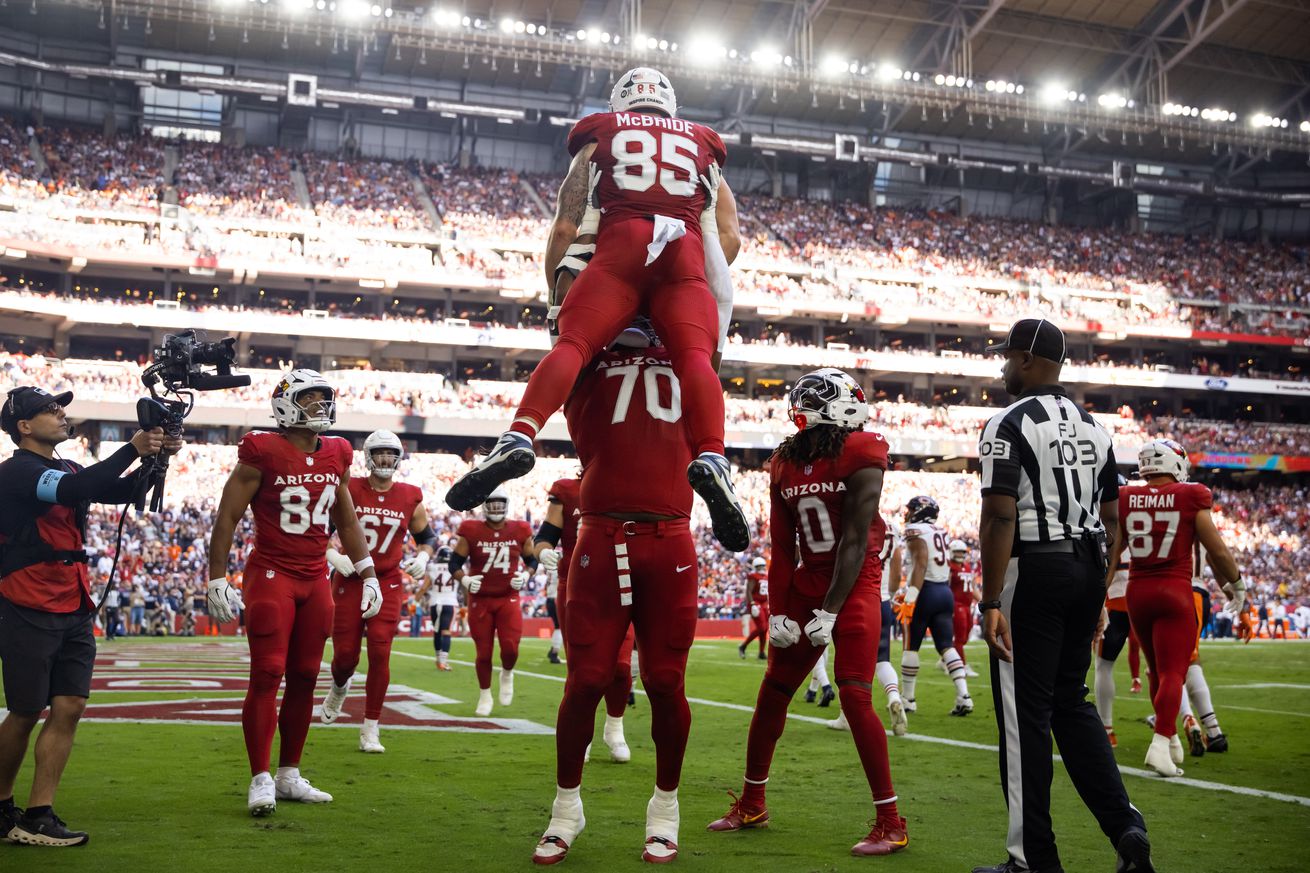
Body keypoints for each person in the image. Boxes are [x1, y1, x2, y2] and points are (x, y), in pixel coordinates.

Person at [444, 66, 752, 555]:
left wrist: (557, 297)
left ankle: (519, 436)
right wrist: (675, 284)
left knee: (575, 344)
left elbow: (567, 227)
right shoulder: (701, 142)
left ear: (620, 104)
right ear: (669, 104)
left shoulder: (601, 133)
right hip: (685, 253)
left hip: (618, 247)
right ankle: (713, 456)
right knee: (695, 356)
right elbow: (730, 238)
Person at [974, 318, 1153, 873]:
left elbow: (1001, 512)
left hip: (1034, 572)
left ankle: (1033, 859)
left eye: (1008, 356)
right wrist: (1098, 587)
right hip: (1085, 567)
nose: (1003, 365)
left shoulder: (1007, 421)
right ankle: (1125, 826)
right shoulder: (1095, 427)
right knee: (1071, 704)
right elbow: (1111, 516)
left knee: (1023, 718)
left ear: (1028, 360)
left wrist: (990, 600)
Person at [708, 368, 907, 858]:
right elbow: (781, 548)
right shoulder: (786, 463)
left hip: (854, 584)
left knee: (855, 694)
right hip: (806, 583)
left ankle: (891, 821)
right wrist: (780, 612)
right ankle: (753, 802)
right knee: (773, 691)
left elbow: (856, 542)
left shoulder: (863, 452)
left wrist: (831, 611)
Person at [532, 321, 699, 865]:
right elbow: (564, 288)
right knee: (584, 681)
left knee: (666, 681)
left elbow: (715, 270)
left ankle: (665, 808)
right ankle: (565, 807)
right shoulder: (584, 352)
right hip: (600, 535)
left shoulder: (689, 346)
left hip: (669, 535)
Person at [0, 386, 178, 846]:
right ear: (23, 426)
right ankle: (1, 806)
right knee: (23, 711)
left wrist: (157, 458)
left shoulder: (67, 465)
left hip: (73, 600)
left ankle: (38, 812)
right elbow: (77, 490)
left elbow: (120, 490)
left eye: (60, 406)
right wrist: (132, 447)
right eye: (48, 409)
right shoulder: (17, 471)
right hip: (27, 599)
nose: (61, 413)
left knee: (71, 706)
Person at [207, 369, 383, 817]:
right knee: (267, 673)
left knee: (306, 675)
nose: (320, 406)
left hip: (314, 579)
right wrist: (216, 576)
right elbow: (227, 517)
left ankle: (289, 774)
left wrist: (368, 572)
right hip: (271, 575)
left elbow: (346, 520)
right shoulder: (261, 449)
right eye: (310, 399)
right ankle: (260, 777)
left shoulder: (339, 452)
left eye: (324, 398)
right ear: (287, 405)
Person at [1112, 439, 1243, 777]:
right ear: (1175, 464)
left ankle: (1169, 741)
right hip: (1174, 590)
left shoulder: (1126, 498)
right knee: (1175, 671)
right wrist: (1238, 585)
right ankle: (1160, 742)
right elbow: (1217, 550)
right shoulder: (1189, 495)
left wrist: (1099, 594)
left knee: (1157, 670)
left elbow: (1112, 553)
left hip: (1137, 592)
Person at [319, 430, 437, 754]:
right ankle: (340, 685)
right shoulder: (350, 487)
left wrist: (423, 556)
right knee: (345, 657)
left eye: (390, 453)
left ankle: (371, 726)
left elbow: (427, 537)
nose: (385, 459)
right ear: (369, 456)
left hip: (388, 581)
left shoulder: (411, 495)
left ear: (398, 458)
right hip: (350, 579)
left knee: (381, 652)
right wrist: (333, 556)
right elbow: (321, 531)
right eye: (380, 453)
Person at [535, 472, 634, 763]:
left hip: (623, 585)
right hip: (577, 587)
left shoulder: (633, 486)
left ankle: (614, 728)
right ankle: (580, 732)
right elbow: (544, 537)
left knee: (621, 667)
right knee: (582, 672)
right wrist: (543, 553)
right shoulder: (567, 490)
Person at [450, 487, 534, 717]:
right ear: (484, 506)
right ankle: (485, 694)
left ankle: (507, 673)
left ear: (506, 506)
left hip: (508, 597)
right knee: (483, 653)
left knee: (510, 649)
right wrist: (465, 580)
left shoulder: (520, 529)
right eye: (492, 503)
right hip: (480, 599)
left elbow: (532, 560)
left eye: (500, 503)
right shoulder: (472, 530)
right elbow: (454, 563)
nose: (496, 508)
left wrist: (525, 576)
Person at [829, 516, 908, 736]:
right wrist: (889, 595)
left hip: (857, 598)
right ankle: (893, 696)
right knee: (882, 660)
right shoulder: (891, 526)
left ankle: (846, 715)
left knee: (847, 662)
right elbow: (896, 568)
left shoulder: (859, 518)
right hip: (881, 601)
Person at [897, 495, 973, 716]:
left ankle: (908, 699)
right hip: (944, 592)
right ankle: (964, 696)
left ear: (919, 512)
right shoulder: (941, 531)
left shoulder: (914, 530)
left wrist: (911, 597)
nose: (907, 514)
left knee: (911, 646)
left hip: (925, 591)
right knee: (946, 646)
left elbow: (920, 563)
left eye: (911, 509)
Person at [1094, 544, 1135, 748]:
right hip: (1144, 598)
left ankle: (1106, 728)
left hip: (1115, 602)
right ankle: (1169, 731)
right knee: (1162, 669)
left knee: (1103, 665)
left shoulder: (1104, 530)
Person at [948, 539, 981, 677]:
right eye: (957, 552)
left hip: (967, 606)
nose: (960, 554)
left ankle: (947, 660)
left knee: (966, 635)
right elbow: (946, 586)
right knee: (960, 638)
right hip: (956, 605)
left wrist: (983, 601)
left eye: (962, 552)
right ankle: (962, 666)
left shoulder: (967, 567)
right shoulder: (950, 567)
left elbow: (972, 588)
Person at [420, 545, 457, 671]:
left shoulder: (432, 567)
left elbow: (424, 587)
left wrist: (414, 601)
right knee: (446, 630)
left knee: (437, 631)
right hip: (449, 602)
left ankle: (438, 659)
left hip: (435, 602)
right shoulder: (455, 567)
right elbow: (464, 585)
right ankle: (443, 661)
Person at [738, 556, 769, 660]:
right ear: (755, 566)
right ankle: (743, 646)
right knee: (762, 627)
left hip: (764, 603)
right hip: (755, 602)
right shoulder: (753, 576)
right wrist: (752, 603)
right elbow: (749, 591)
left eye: (763, 566)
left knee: (765, 629)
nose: (762, 568)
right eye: (760, 566)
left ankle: (761, 652)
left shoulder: (766, 576)